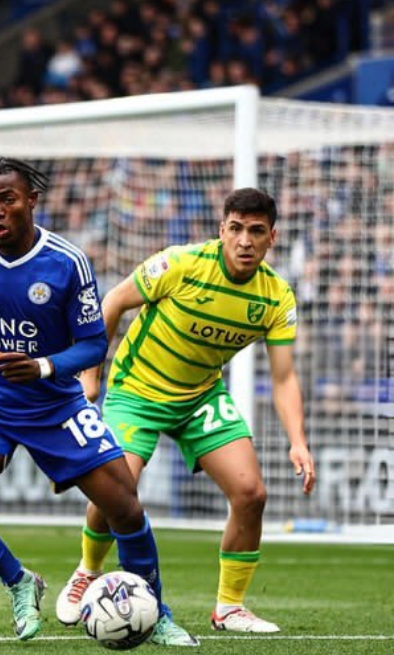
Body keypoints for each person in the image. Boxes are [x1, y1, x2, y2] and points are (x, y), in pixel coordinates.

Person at [0, 158, 197, 645]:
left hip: (56, 406)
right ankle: (19, 581)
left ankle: (154, 612)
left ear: (31, 201)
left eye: (7, 200)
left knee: (123, 504)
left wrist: (43, 366)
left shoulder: (66, 262)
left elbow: (93, 344)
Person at [58, 187, 315, 634]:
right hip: (137, 390)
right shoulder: (181, 264)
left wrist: (298, 441)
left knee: (251, 494)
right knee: (118, 487)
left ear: (272, 237)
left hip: (200, 397)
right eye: (236, 229)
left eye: (256, 231)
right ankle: (87, 571)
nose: (245, 241)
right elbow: (113, 301)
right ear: (222, 230)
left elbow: (284, 377)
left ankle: (229, 608)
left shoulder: (277, 297)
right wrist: (90, 377)